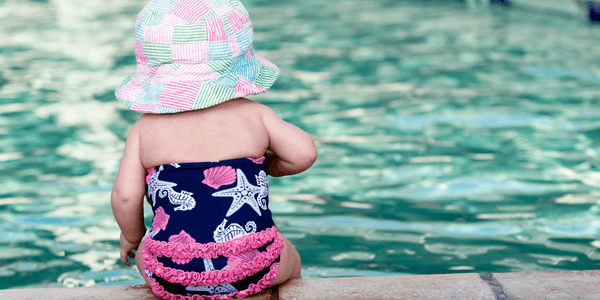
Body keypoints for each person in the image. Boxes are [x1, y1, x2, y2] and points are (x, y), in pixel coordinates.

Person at [110, 0, 317, 298]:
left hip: (172, 274)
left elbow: (125, 196)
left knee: (148, 248)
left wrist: (131, 237)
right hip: (254, 268)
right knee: (287, 254)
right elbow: (304, 154)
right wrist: (265, 165)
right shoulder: (254, 115)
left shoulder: (144, 129)